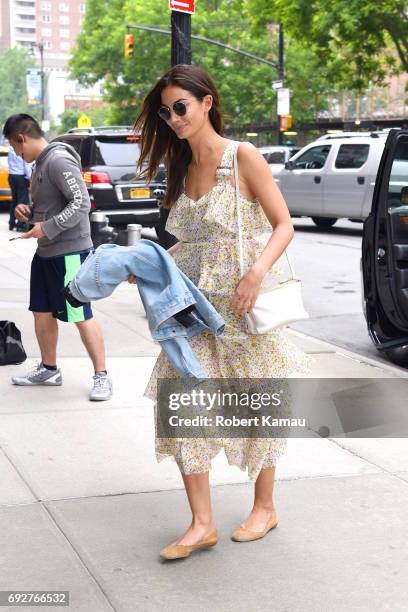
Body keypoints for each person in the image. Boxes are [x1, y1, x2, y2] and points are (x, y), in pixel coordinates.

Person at [133, 64, 312, 560]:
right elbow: (186, 242)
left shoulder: (243, 157)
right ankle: (202, 523)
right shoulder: (181, 167)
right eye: (165, 111)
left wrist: (255, 273)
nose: (172, 118)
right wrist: (151, 266)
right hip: (190, 309)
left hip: (240, 306)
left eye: (180, 107)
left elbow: (283, 225)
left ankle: (265, 506)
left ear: (206, 102)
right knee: (183, 405)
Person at [2, 114, 112, 401]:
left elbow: (81, 203)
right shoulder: (41, 164)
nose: (17, 154)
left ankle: (102, 376)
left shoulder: (59, 160)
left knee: (80, 314)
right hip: (46, 252)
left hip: (70, 253)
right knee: (41, 311)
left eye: (15, 148)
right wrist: (29, 211)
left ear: (21, 138)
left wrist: (47, 227)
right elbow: (53, 204)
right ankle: (49, 369)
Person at [7, 144, 32, 232]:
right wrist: (30, 178)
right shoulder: (21, 148)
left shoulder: (10, 148)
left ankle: (11, 222)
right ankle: (20, 225)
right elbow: (26, 164)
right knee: (22, 201)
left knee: (14, 200)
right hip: (20, 176)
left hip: (11, 176)